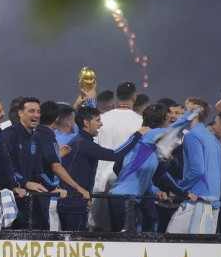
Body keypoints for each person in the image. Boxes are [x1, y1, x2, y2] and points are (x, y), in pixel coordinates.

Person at [58, 105, 145, 231]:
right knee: (75, 245)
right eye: (98, 120)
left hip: (74, 204)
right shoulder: (84, 143)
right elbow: (115, 155)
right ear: (86, 123)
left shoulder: (80, 141)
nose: (101, 124)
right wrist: (137, 135)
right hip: (73, 205)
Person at [108, 104, 192, 232]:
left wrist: (155, 191)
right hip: (125, 198)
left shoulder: (150, 145)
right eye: (169, 120)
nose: (170, 123)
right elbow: (173, 131)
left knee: (137, 237)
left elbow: (141, 175)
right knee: (127, 242)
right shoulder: (150, 134)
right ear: (163, 121)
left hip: (128, 198)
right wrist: (190, 113)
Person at [90, 81, 143, 231]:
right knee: (122, 234)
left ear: (117, 97)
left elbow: (93, 148)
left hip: (101, 183)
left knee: (97, 232)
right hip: (125, 184)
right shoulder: (140, 122)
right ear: (134, 97)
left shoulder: (102, 119)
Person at [165, 101, 221, 234]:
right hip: (214, 202)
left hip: (196, 202)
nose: (183, 113)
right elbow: (220, 175)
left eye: (185, 110)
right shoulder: (213, 139)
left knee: (171, 243)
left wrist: (179, 188)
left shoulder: (192, 136)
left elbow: (198, 170)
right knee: (201, 251)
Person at [32, 100, 87, 230]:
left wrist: (58, 155)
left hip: (43, 196)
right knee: (51, 241)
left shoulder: (38, 134)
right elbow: (54, 167)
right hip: (47, 196)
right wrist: (79, 188)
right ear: (56, 118)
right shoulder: (46, 137)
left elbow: (39, 160)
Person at [0, 97, 50, 228]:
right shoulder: (8, 135)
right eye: (31, 111)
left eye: (38, 112)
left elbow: (38, 171)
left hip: (27, 200)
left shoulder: (35, 139)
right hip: (10, 199)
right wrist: (25, 183)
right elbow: (4, 167)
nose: (36, 115)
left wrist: (52, 186)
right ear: (20, 113)